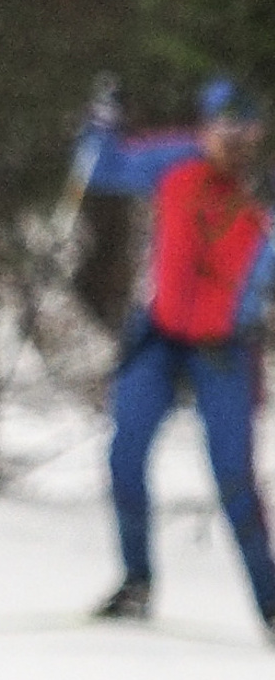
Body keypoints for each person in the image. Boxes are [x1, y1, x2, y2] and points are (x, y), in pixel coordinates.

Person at [77, 79, 273, 630]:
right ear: (205, 128)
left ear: (257, 134)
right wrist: (99, 122)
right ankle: (136, 583)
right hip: (159, 337)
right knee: (124, 453)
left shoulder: (262, 194)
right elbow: (98, 166)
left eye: (243, 132)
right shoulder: (175, 161)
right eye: (220, 129)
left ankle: (270, 602)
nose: (230, 142)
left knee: (233, 477)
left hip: (225, 350)